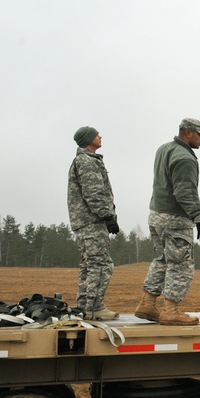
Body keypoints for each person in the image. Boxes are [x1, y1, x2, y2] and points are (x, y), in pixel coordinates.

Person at [135, 118, 200, 326]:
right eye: (199, 134)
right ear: (187, 133)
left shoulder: (164, 149)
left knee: (161, 260)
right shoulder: (184, 158)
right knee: (180, 265)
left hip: (157, 217)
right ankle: (171, 311)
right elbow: (184, 192)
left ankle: (147, 304)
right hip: (175, 220)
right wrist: (199, 218)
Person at [67, 126, 120, 320]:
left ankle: (84, 306)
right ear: (89, 139)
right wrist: (107, 216)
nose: (100, 136)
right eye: (96, 135)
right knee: (100, 264)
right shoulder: (87, 162)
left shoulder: (84, 160)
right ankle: (94, 307)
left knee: (89, 265)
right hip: (92, 222)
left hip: (87, 222)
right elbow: (94, 193)